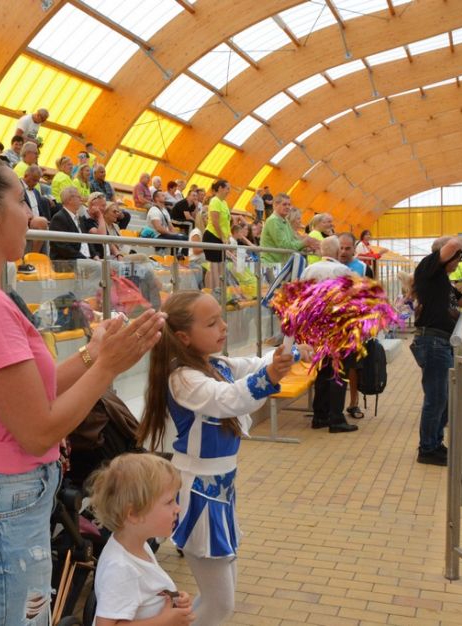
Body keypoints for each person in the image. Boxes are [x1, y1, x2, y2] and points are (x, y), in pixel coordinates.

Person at [0, 151, 163, 624]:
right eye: (22, 202)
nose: (31, 214)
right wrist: (107, 366)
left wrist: (93, 354)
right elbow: (37, 430)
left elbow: (26, 393)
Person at [138, 291, 310, 626]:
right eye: (212, 322)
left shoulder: (215, 364)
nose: (223, 327)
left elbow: (254, 365)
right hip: (198, 493)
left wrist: (290, 354)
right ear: (184, 337)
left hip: (219, 491)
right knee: (219, 604)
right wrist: (272, 374)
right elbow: (229, 398)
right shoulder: (182, 378)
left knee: (219, 601)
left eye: (221, 318)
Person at [86, 453, 195, 625]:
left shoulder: (138, 545)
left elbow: (144, 594)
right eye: (169, 502)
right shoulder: (121, 568)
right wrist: (164, 621)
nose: (178, 508)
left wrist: (173, 597)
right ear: (134, 514)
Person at [412, 236, 462, 466]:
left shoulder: (443, 282)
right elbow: (452, 244)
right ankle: (427, 449)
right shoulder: (428, 268)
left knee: (445, 399)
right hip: (432, 342)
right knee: (436, 398)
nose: (459, 261)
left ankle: (435, 442)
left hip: (442, 343)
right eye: (457, 257)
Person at [301, 236, 359, 433]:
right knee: (339, 371)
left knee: (323, 370)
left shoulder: (308, 270)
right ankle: (336, 418)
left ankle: (320, 415)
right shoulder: (341, 270)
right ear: (336, 251)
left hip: (316, 328)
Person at [337, 232, 367, 421]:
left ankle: (353, 403)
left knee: (354, 367)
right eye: (341, 248)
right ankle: (332, 406)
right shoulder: (331, 265)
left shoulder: (362, 267)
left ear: (354, 249)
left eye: (347, 248)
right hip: (332, 325)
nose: (343, 252)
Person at [203, 179, 232, 292]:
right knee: (213, 266)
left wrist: (228, 236)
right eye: (227, 188)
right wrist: (222, 237)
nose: (229, 191)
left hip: (220, 238)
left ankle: (219, 290)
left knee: (220, 266)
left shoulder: (224, 203)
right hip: (212, 236)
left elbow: (226, 222)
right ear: (220, 188)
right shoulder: (215, 201)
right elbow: (215, 222)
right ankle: (214, 290)